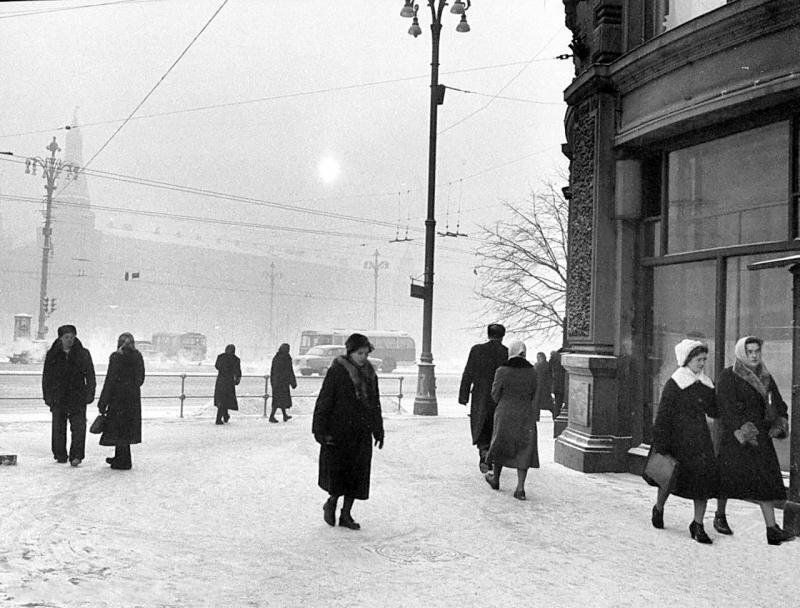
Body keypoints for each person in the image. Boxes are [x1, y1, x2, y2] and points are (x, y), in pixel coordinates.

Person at [715, 336, 795, 545]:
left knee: (765, 480)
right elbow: (725, 407)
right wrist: (740, 429)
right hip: (738, 437)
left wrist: (779, 421)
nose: (753, 355)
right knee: (727, 479)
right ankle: (719, 515)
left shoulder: (765, 376)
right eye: (749, 351)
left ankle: (772, 529)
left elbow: (777, 402)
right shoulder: (729, 375)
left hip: (760, 436)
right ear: (742, 353)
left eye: (756, 351)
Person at [649, 339, 719, 544]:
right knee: (669, 479)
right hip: (677, 439)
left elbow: (713, 411)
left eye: (704, 359)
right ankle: (659, 507)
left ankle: (698, 525)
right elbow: (663, 415)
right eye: (699, 359)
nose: (702, 363)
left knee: (703, 483)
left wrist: (719, 395)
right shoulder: (675, 383)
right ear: (687, 359)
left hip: (699, 440)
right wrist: (661, 444)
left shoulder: (705, 383)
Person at [312, 333, 384, 530]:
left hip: (362, 432)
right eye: (360, 353)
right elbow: (325, 399)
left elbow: (374, 403)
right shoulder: (337, 371)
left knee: (357, 475)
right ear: (350, 352)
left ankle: (346, 514)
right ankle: (332, 503)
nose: (363, 357)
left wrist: (378, 429)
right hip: (340, 432)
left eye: (366, 353)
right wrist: (319, 429)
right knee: (340, 474)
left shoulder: (370, 374)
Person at [484, 340, 539, 500]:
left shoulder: (502, 371)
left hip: (505, 412)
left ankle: (495, 478)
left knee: (501, 443)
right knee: (524, 447)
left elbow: (495, 394)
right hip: (525, 413)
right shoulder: (533, 372)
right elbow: (534, 394)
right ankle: (520, 488)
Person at [41, 324, 96, 467]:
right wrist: (47, 396)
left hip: (78, 397)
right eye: (67, 337)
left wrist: (90, 394)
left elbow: (90, 375)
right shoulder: (52, 354)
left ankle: (76, 456)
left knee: (79, 428)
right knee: (58, 428)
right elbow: (46, 377)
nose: (70, 340)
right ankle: (60, 454)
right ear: (60, 338)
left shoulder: (83, 353)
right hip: (58, 397)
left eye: (72, 337)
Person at [459, 324, 508, 473]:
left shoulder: (477, 350)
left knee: (480, 424)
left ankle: (483, 452)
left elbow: (468, 373)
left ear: (488, 335)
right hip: (499, 397)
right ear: (502, 336)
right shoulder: (505, 352)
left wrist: (463, 395)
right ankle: (490, 455)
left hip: (480, 395)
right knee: (495, 426)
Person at [97, 333, 145, 470]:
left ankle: (122, 461)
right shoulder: (138, 357)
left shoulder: (116, 357)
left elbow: (110, 380)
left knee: (118, 429)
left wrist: (103, 402)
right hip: (132, 400)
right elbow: (140, 379)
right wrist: (130, 387)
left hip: (117, 399)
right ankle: (121, 458)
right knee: (126, 429)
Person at [214, 344, 241, 425]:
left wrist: (223, 370)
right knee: (226, 400)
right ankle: (219, 419)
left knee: (221, 400)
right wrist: (237, 379)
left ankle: (224, 416)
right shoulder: (236, 359)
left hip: (220, 381)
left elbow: (217, 366)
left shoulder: (220, 357)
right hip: (229, 382)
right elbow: (238, 371)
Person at [269, 343, 297, 423]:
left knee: (279, 399)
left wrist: (273, 381)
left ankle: (284, 415)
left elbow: (273, 371)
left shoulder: (277, 357)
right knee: (280, 399)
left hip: (277, 382)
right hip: (283, 382)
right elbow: (289, 371)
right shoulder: (286, 358)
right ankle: (272, 416)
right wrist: (292, 382)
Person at [533, 352, 556, 419]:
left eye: (539, 357)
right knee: (541, 403)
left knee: (539, 403)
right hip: (542, 387)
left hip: (542, 387)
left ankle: (536, 417)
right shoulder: (544, 365)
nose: (538, 359)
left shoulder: (541, 365)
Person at [549, 350, 565, 418]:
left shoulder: (551, 362)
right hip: (561, 385)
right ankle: (556, 415)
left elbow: (549, 374)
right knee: (559, 402)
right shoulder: (560, 362)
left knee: (557, 402)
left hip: (555, 385)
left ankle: (555, 415)